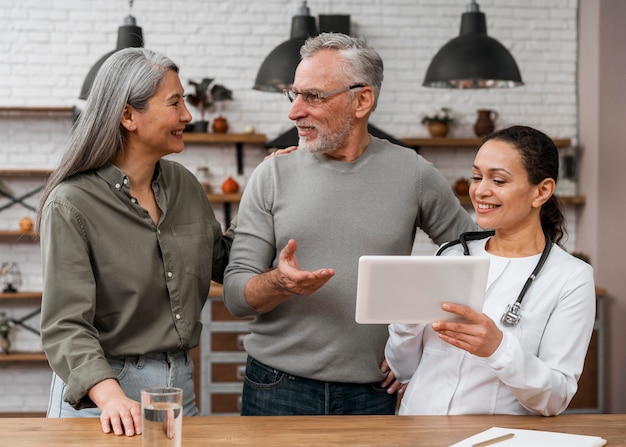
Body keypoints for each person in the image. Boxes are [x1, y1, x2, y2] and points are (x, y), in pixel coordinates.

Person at [222, 32, 476, 416]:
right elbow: (236, 297)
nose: (294, 112)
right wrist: (280, 282)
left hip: (373, 392)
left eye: (314, 96)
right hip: (277, 388)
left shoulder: (415, 174)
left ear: (362, 100)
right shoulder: (272, 174)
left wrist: (417, 343)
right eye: (295, 95)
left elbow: (473, 259)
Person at [37, 48, 233, 436]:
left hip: (178, 387)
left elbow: (224, 262)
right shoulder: (71, 203)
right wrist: (110, 396)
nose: (187, 117)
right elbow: (65, 325)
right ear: (128, 116)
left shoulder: (184, 185)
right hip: (102, 397)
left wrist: (272, 190)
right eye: (174, 103)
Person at [385, 125, 596, 416]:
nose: (480, 190)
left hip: (494, 438)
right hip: (417, 429)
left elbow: (555, 397)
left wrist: (498, 349)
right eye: (476, 177)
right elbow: (404, 369)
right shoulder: (449, 255)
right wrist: (405, 321)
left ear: (542, 190)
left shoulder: (571, 277)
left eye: (498, 180)